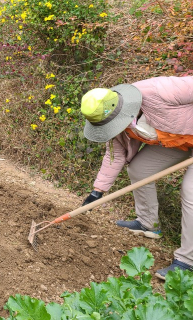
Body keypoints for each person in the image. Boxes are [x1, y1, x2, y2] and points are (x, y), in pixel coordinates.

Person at [80, 77, 193, 280]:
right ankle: (148, 223)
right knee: (139, 169)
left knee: (190, 191)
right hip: (176, 143)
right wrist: (97, 192)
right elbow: (114, 156)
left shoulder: (160, 91)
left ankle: (187, 261)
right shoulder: (114, 127)